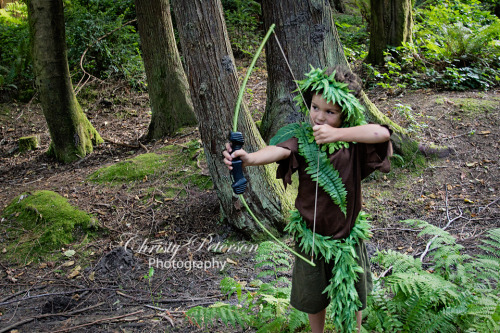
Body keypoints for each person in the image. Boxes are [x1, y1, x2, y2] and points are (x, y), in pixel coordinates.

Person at [223, 66, 392, 333]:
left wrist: (338, 134)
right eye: (315, 107)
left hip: (347, 236)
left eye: (330, 112)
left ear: (344, 113)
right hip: (311, 236)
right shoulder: (303, 138)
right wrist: (249, 158)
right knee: (313, 297)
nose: (319, 117)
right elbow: (278, 150)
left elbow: (382, 133)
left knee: (354, 296)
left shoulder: (352, 140)